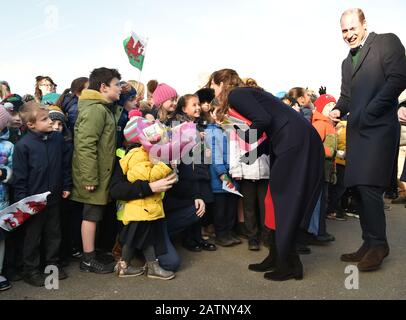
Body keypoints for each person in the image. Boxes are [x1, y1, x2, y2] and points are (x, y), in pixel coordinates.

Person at [208, 69, 324, 281]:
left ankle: (288, 263)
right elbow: (272, 126)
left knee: (284, 203)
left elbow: (263, 120)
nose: (212, 91)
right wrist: (252, 156)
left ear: (222, 82)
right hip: (293, 140)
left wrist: (240, 132)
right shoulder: (247, 94)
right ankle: (276, 256)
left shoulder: (237, 94)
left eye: (213, 86)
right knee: (273, 201)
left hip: (294, 143)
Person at [329, 8, 406, 271]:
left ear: (364, 25)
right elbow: (347, 97)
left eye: (352, 28)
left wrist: (372, 110)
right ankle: (367, 242)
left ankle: (379, 245)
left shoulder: (386, 42)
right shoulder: (345, 62)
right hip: (357, 131)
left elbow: (399, 78)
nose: (349, 34)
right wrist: (339, 109)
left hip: (380, 128)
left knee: (370, 187)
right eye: (344, 30)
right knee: (358, 189)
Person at [13, 102, 72, 287]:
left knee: (54, 233)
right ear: (30, 124)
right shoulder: (23, 146)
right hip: (33, 202)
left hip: (53, 197)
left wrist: (66, 185)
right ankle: (30, 270)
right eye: (45, 119)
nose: (50, 122)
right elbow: (20, 177)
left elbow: (64, 165)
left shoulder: (56, 139)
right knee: (33, 236)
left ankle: (52, 265)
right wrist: (22, 200)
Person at [70, 67, 123, 274]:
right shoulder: (95, 110)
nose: (119, 88)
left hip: (101, 173)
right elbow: (85, 145)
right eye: (116, 84)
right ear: (103, 87)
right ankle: (88, 259)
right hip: (94, 175)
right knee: (91, 215)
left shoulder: (102, 107)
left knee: (96, 214)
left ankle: (91, 252)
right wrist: (90, 177)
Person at [0, 106, 13, 291]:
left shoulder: (8, 146)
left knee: (0, 238)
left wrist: (4, 173)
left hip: (1, 202)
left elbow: (14, 170)